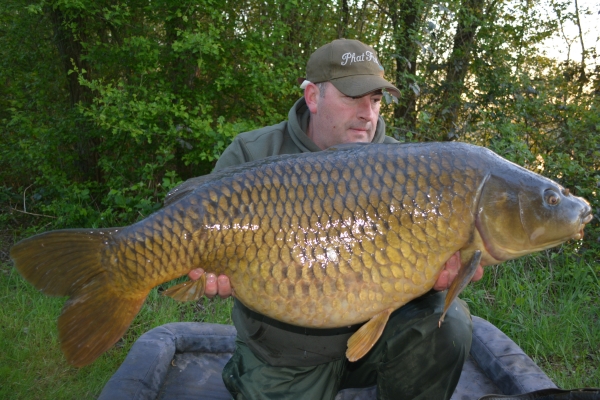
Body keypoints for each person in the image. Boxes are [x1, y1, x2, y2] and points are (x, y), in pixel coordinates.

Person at [187, 39, 483, 400]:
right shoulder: (253, 155)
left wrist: (436, 277)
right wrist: (208, 273)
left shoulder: (406, 169)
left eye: (375, 100)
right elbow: (198, 242)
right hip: (285, 357)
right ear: (313, 97)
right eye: (353, 97)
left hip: (377, 342)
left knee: (447, 324)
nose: (368, 114)